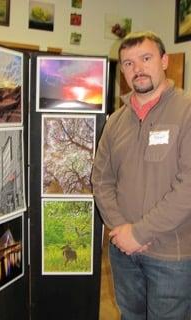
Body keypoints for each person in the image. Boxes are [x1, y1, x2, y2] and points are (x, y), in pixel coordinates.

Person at [91, 31, 191, 320]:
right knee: (130, 316)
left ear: (163, 61)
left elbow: (188, 186)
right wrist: (123, 230)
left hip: (173, 256)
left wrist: (140, 232)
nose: (137, 69)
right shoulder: (115, 122)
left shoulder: (186, 112)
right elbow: (101, 180)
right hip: (124, 254)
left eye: (145, 59)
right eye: (128, 63)